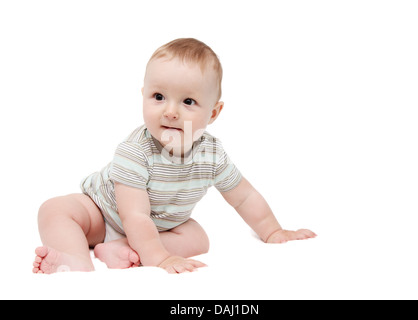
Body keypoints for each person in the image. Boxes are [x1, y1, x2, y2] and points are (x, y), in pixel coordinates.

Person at [33, 38, 316, 274]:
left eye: (188, 101)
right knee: (55, 210)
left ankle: (122, 251)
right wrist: (160, 258)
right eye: (158, 96)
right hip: (105, 215)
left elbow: (244, 197)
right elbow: (134, 215)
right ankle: (75, 261)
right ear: (143, 95)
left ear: (213, 113)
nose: (170, 111)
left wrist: (273, 231)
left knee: (198, 238)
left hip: (159, 227)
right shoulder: (135, 151)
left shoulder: (212, 155)